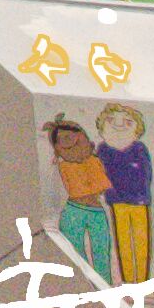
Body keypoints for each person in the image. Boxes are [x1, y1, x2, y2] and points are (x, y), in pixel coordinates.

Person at [45, 118, 114, 279]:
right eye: (63, 139)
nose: (69, 141)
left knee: (101, 252)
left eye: (72, 136)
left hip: (96, 211)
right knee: (75, 254)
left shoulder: (94, 161)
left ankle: (104, 286)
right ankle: (84, 285)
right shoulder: (61, 166)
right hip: (73, 210)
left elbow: (101, 185)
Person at [95, 105, 154, 284]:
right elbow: (101, 175)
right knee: (123, 241)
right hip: (117, 201)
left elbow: (146, 174)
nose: (119, 125)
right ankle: (129, 281)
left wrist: (140, 194)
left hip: (139, 200)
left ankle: (142, 281)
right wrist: (111, 193)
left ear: (137, 129)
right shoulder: (103, 149)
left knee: (141, 241)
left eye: (127, 122)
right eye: (112, 121)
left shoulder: (139, 148)